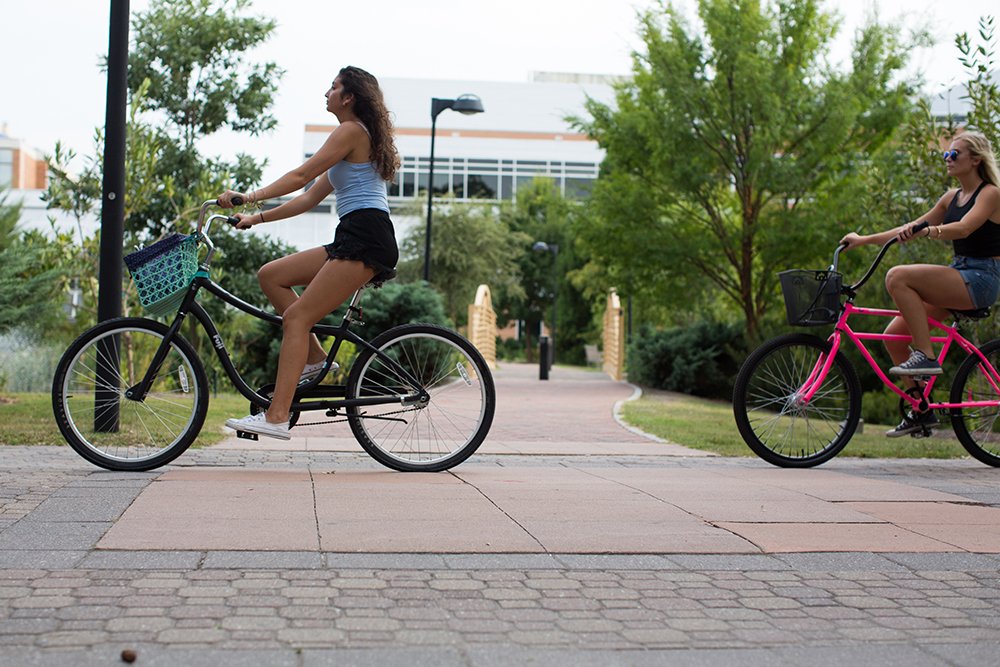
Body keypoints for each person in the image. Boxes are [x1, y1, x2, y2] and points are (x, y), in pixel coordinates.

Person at [216, 66, 400, 440]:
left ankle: (276, 416)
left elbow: (299, 176)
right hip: (355, 233)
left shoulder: (350, 131)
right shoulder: (350, 143)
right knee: (272, 275)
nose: (326, 93)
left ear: (349, 98)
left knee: (297, 318)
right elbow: (306, 198)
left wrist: (247, 194)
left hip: (366, 236)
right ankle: (315, 359)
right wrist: (255, 218)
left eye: (333, 87)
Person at [840, 130, 1000, 437]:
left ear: (975, 160)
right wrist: (863, 241)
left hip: (981, 278)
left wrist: (930, 231)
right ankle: (921, 410)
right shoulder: (950, 198)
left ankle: (925, 356)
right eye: (946, 154)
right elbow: (908, 228)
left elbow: (965, 228)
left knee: (898, 276)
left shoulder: (990, 193)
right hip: (959, 274)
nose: (948, 159)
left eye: (955, 154)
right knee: (894, 336)